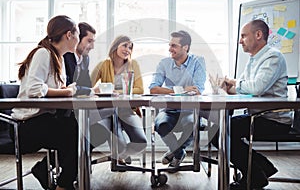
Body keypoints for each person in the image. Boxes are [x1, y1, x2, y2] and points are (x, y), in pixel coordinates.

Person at [218, 19, 292, 189]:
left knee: (222, 133)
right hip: (258, 116)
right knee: (222, 131)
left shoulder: (273, 56)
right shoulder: (254, 59)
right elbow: (246, 87)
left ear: (258, 35)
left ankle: (256, 174)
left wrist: (234, 82)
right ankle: (261, 168)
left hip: (274, 120)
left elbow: (256, 87)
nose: (240, 40)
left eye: (243, 36)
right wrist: (229, 87)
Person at [11, 15, 79, 190]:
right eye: (77, 35)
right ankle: (63, 184)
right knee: (76, 134)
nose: (78, 40)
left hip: (44, 120)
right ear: (69, 35)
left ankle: (56, 176)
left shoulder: (59, 58)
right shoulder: (43, 53)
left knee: (79, 130)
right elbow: (35, 89)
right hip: (25, 126)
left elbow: (52, 88)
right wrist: (66, 91)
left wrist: (67, 89)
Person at [149, 30, 206, 168]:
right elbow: (153, 88)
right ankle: (179, 153)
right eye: (170, 45)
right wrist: (181, 90)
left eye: (174, 45)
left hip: (190, 111)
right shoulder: (164, 63)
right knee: (160, 125)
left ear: (185, 47)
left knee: (193, 125)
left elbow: (197, 90)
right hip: (169, 110)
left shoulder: (198, 62)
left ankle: (173, 152)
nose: (170, 49)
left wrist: (173, 91)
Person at [90, 35, 147, 164]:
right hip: (108, 112)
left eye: (130, 47)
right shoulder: (103, 64)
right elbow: (88, 86)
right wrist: (98, 90)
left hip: (127, 110)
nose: (128, 49)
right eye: (125, 46)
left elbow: (140, 89)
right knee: (119, 147)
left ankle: (119, 155)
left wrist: (116, 92)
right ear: (116, 46)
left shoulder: (133, 64)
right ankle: (119, 154)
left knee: (141, 143)